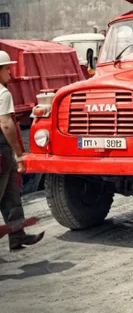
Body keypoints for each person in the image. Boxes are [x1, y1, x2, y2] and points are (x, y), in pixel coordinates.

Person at [0, 50, 44, 250]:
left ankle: (17, 235)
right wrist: (19, 153)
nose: (10, 74)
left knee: (11, 195)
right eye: (7, 69)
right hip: (2, 152)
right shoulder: (3, 93)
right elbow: (7, 125)